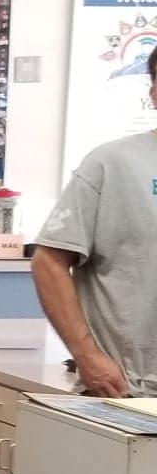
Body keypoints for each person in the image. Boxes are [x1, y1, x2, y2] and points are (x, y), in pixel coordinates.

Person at [32, 44, 157, 398]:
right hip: (127, 393)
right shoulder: (111, 164)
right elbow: (48, 262)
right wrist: (87, 356)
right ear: (153, 92)